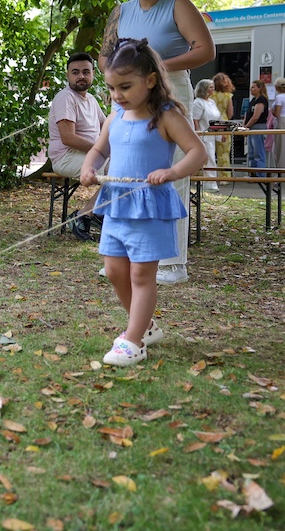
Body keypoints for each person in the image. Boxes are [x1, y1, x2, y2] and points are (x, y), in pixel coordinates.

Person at [80, 38, 206, 366]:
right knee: (113, 270)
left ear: (150, 80)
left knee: (141, 275)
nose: (117, 95)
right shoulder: (115, 117)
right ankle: (146, 326)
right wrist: (89, 166)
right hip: (117, 206)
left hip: (150, 207)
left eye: (125, 86)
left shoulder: (165, 115)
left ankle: (133, 340)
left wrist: (172, 171)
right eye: (111, 88)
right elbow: (99, 150)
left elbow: (197, 152)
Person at [99, 0, 215, 285]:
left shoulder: (178, 5)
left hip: (168, 88)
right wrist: (121, 78)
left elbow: (205, 49)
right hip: (126, 93)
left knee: (170, 172)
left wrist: (155, 66)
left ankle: (170, 262)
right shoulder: (119, 11)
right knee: (122, 168)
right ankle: (120, 252)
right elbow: (105, 55)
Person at [47, 52, 106, 239]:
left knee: (127, 168)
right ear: (67, 75)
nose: (81, 76)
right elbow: (68, 138)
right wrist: (102, 150)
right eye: (75, 72)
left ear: (93, 73)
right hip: (66, 157)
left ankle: (93, 215)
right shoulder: (66, 98)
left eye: (85, 72)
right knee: (119, 174)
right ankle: (85, 216)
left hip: (88, 155)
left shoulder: (91, 100)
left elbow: (107, 127)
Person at [191, 79, 220, 189]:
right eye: (210, 87)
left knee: (212, 158)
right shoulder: (198, 102)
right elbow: (195, 120)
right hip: (202, 135)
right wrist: (197, 136)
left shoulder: (211, 102)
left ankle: (211, 182)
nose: (213, 89)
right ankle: (208, 183)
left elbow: (216, 118)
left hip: (212, 135)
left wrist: (220, 135)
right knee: (208, 159)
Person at [211, 73, 235, 177]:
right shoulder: (227, 96)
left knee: (209, 151)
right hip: (224, 125)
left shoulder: (210, 95)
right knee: (223, 153)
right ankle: (224, 176)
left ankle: (206, 176)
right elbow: (230, 114)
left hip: (211, 124)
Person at [243, 80, 269, 177]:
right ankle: (252, 173)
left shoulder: (261, 100)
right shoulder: (253, 100)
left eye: (254, 87)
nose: (251, 89)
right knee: (251, 152)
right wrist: (243, 125)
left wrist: (246, 126)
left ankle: (261, 175)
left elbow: (256, 116)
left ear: (259, 88)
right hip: (251, 128)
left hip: (258, 127)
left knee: (258, 152)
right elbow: (248, 114)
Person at [271, 77, 285, 169]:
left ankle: (280, 171)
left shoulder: (279, 97)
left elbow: (277, 113)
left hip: (281, 121)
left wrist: (272, 110)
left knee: (279, 148)